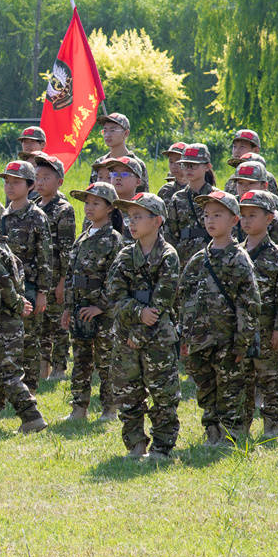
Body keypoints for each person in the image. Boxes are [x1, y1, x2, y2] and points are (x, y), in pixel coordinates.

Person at [177, 191, 261, 447]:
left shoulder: (239, 259)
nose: (210, 220)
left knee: (230, 388)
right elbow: (184, 297)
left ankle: (231, 435)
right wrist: (184, 335)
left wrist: (242, 342)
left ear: (234, 220)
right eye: (206, 215)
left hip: (227, 341)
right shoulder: (198, 259)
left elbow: (249, 304)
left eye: (217, 215)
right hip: (199, 340)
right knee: (206, 388)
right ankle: (212, 431)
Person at [106, 193, 181, 460]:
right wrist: (138, 312)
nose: (131, 223)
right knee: (127, 392)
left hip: (157, 338)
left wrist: (140, 331)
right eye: (130, 218)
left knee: (163, 394)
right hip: (125, 336)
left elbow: (162, 301)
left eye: (138, 217)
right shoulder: (126, 255)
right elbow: (114, 295)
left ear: (157, 221)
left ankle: (162, 447)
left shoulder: (168, 255)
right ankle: (136, 444)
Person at [0, 193, 47, 434]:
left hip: (3, 321)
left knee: (7, 373)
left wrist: (17, 304)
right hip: (3, 319)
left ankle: (31, 416)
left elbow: (3, 284)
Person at [63, 181, 124, 422]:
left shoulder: (114, 239)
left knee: (106, 361)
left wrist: (100, 306)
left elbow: (117, 278)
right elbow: (71, 275)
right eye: (87, 203)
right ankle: (79, 408)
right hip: (80, 310)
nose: (89, 207)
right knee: (81, 360)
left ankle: (109, 409)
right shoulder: (83, 236)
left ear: (110, 208)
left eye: (96, 203)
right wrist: (68, 309)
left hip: (103, 314)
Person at [238, 190, 278, 438]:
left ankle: (272, 425)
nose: (246, 220)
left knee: (269, 378)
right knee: (242, 379)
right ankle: (242, 424)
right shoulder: (236, 251)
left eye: (253, 215)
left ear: (269, 218)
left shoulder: (277, 255)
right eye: (243, 215)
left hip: (267, 328)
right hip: (242, 329)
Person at [0, 159, 55, 396]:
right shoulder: (2, 216)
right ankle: (8, 387)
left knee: (29, 341)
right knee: (6, 339)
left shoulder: (37, 216)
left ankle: (29, 389)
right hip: (5, 289)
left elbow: (45, 257)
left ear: (30, 185)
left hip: (29, 288)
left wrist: (42, 292)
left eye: (16, 182)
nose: (10, 187)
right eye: (7, 182)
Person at [32, 153, 74, 380]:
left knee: (58, 324)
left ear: (59, 182)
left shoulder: (63, 209)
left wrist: (62, 283)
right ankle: (42, 367)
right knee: (40, 324)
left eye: (46, 178)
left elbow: (67, 250)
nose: (40, 182)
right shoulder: (34, 207)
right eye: (37, 177)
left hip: (56, 275)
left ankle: (59, 367)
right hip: (39, 276)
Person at [164, 143, 216, 266]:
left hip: (212, 259)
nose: (188, 169)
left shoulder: (216, 197)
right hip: (184, 260)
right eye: (185, 165)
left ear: (207, 167)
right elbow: (170, 234)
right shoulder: (177, 198)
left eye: (193, 165)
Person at [94, 112, 149, 188]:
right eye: (105, 130)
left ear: (126, 133)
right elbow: (92, 192)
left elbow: (142, 194)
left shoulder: (137, 164)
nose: (107, 135)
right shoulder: (100, 163)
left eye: (112, 130)